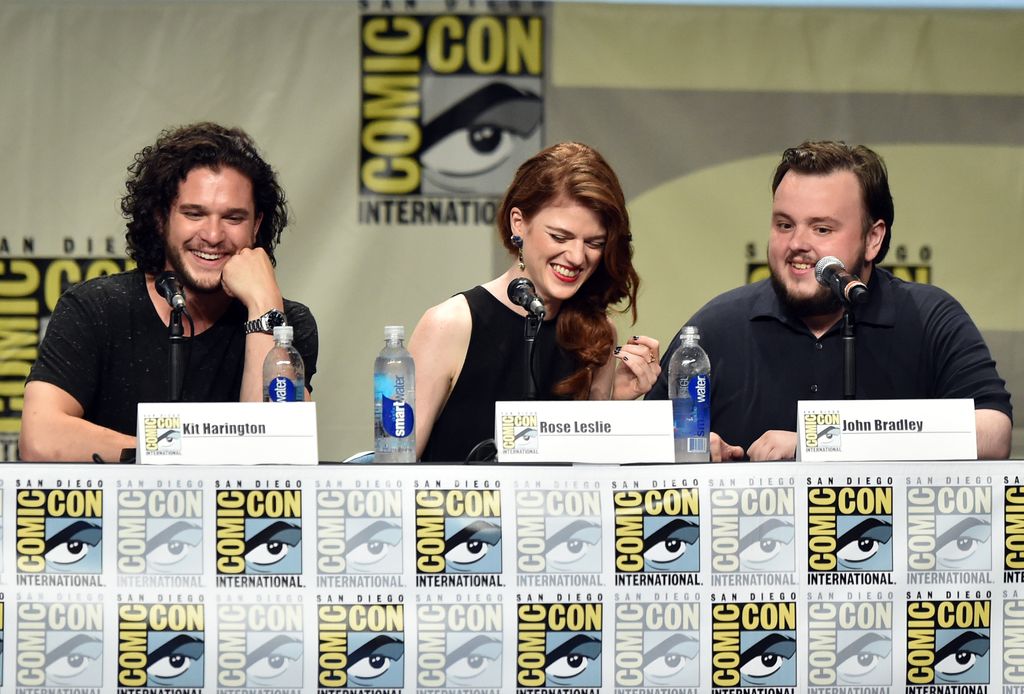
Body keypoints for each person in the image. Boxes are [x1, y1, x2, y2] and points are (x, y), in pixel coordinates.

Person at [648, 140, 1012, 461]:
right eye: (784, 225)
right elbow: (645, 441)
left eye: (822, 229)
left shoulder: (927, 317)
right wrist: (684, 447)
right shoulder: (718, 326)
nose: (797, 245)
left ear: (873, 239)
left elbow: (994, 432)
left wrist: (820, 442)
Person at [19, 122, 318, 462]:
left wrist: (264, 308)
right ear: (161, 218)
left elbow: (276, 454)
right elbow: (40, 438)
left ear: (257, 226)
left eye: (233, 218)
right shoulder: (96, 308)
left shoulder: (288, 322)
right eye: (195, 214)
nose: (213, 234)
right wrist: (176, 452)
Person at [409, 142, 661, 461]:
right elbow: (395, 474)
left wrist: (614, 404)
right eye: (560, 237)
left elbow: (591, 475)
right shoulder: (450, 324)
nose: (576, 256)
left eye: (594, 243)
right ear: (519, 223)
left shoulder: (597, 331)